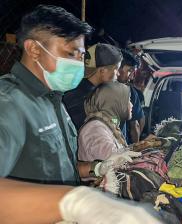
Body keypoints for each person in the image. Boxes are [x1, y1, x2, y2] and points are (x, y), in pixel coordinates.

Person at [0, 5, 162, 223]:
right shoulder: (8, 102)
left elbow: (55, 169)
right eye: (69, 53)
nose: (77, 63)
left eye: (81, 56)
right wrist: (75, 202)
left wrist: (97, 167)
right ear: (34, 50)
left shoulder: (54, 100)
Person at [63, 43, 123, 129]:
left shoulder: (75, 89)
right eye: (116, 69)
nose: (118, 73)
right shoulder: (86, 101)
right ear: (102, 71)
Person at [78, 82, 134, 161]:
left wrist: (142, 146)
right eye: (128, 100)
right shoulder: (95, 129)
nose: (131, 105)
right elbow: (115, 159)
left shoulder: (107, 124)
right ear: (115, 103)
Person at [117, 49, 145, 144]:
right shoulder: (129, 91)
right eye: (129, 71)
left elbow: (136, 124)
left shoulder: (131, 92)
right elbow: (135, 125)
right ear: (117, 67)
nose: (132, 77)